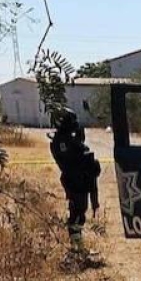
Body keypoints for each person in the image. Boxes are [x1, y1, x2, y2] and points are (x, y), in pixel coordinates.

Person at [49, 108, 101, 254]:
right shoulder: (64, 141)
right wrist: (79, 143)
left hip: (73, 180)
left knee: (77, 211)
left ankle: (77, 246)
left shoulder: (59, 141)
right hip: (76, 180)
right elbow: (80, 157)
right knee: (78, 213)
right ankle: (77, 248)